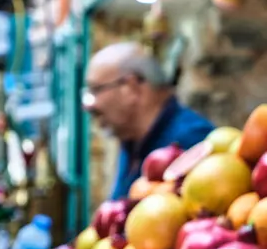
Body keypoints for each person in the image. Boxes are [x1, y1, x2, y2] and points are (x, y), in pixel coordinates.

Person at [82, 42, 214, 200]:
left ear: (132, 87)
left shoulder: (192, 139)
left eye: (95, 90)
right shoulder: (131, 138)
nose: (88, 105)